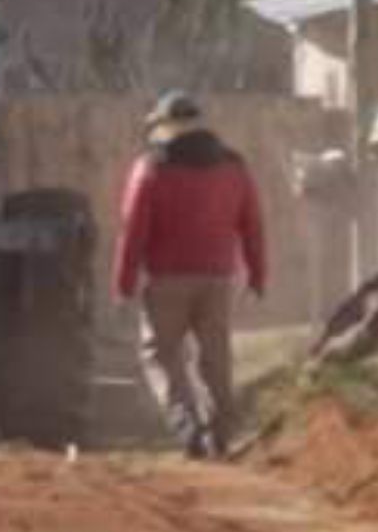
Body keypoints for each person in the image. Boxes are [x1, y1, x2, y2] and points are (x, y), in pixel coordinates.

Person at [112, 92, 267, 460]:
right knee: (214, 358)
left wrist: (123, 284)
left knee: (160, 355)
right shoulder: (234, 165)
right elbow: (252, 225)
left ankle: (189, 429)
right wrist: (258, 274)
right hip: (217, 278)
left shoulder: (150, 167)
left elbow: (132, 231)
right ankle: (221, 434)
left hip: (167, 279)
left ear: (163, 127)